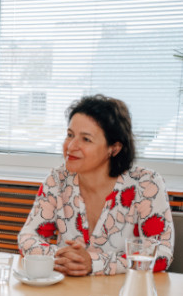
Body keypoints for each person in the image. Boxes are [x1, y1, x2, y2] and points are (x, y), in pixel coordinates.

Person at [18, 94, 174, 276]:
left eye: (86, 139)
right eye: (70, 135)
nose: (70, 146)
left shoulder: (147, 184)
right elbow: (28, 237)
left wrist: (94, 263)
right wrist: (66, 259)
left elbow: (161, 254)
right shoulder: (57, 179)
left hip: (125, 295)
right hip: (67, 293)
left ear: (114, 148)